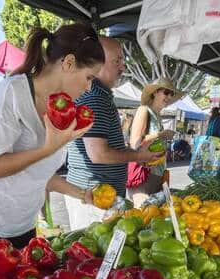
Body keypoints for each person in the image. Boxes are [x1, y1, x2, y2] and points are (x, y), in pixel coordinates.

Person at [0, 24, 104, 255]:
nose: (88, 88)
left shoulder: (62, 107)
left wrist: (82, 194)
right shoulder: (10, 94)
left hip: (23, 228)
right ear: (68, 63)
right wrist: (48, 148)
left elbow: (37, 171)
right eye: (89, 77)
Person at [65, 37, 162, 230]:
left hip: (99, 196)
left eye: (122, 61)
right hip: (93, 198)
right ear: (96, 63)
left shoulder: (100, 96)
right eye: (117, 61)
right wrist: (137, 155)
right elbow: (98, 154)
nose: (123, 67)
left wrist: (136, 153)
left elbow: (106, 147)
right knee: (91, 255)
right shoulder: (94, 98)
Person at [126, 78, 182, 207]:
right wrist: (161, 134)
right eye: (166, 92)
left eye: (171, 94)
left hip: (157, 174)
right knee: (143, 215)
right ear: (155, 92)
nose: (169, 96)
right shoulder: (144, 110)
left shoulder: (158, 116)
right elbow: (135, 143)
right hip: (144, 174)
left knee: (155, 217)